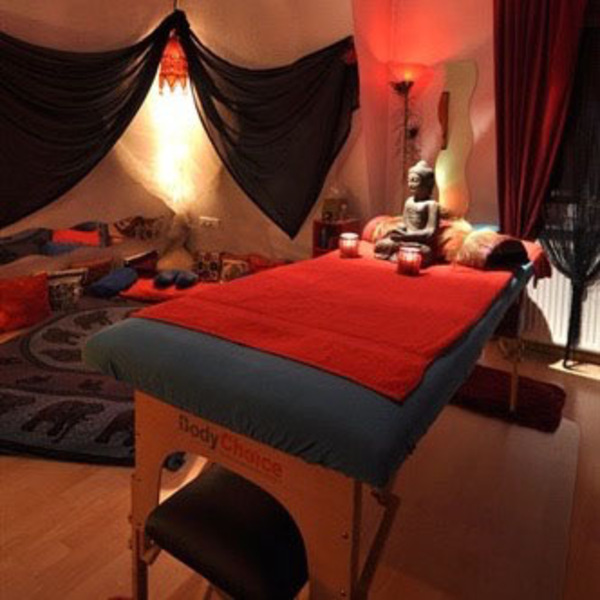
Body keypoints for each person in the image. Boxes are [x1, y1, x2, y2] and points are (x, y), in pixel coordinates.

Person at [374, 160, 439, 265]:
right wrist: (397, 231)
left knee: (425, 252)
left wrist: (408, 235)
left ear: (426, 183)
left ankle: (401, 255)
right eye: (409, 181)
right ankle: (402, 254)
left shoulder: (432, 205)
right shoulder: (409, 202)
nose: (411, 184)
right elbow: (405, 224)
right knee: (380, 245)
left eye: (415, 180)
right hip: (405, 240)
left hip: (420, 243)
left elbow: (430, 232)